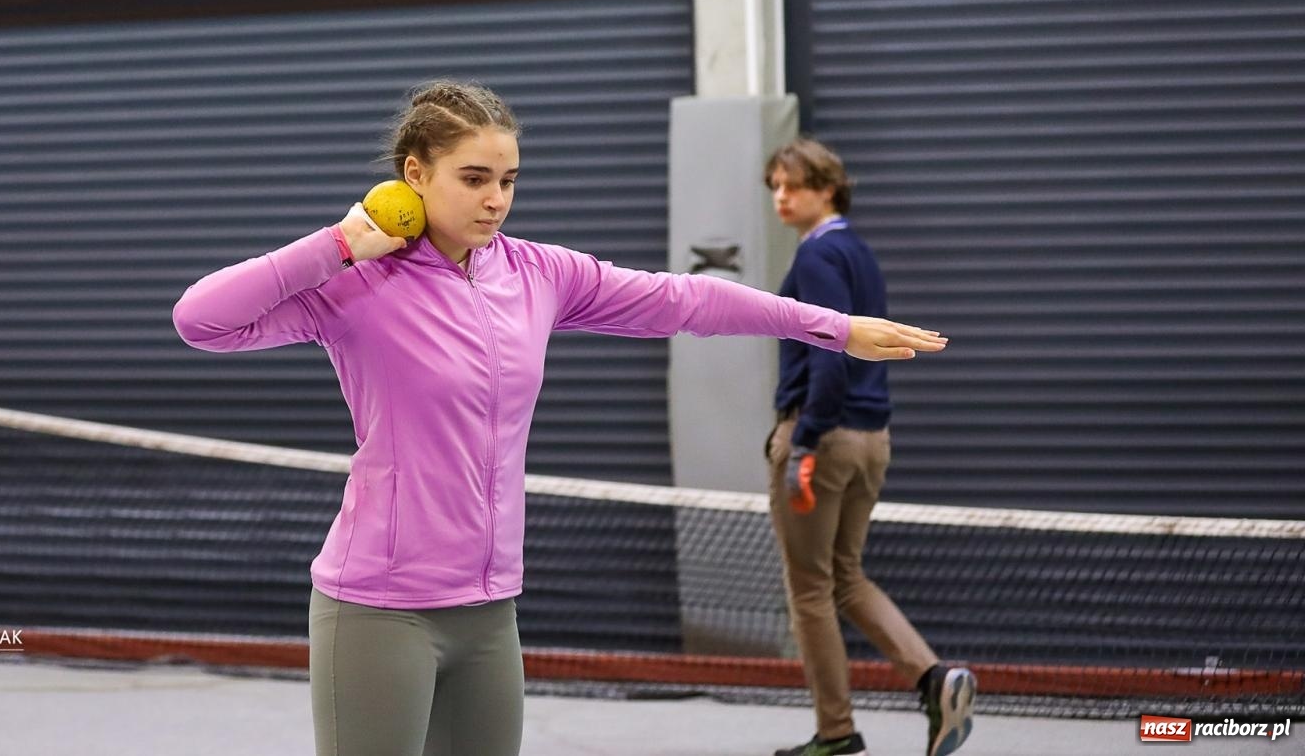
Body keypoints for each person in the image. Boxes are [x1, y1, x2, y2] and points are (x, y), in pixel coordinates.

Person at [173, 81, 948, 756]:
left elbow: (686, 299)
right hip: (378, 608)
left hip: (488, 611)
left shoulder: (539, 273)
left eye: (507, 180)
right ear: (414, 176)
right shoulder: (355, 283)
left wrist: (831, 326)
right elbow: (201, 320)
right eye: (473, 178)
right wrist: (339, 243)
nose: (495, 199)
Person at [764, 138, 975, 756]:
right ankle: (935, 679)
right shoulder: (860, 252)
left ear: (827, 188)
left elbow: (831, 355)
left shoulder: (817, 257)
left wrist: (803, 443)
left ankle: (836, 734)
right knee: (845, 577)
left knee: (809, 587)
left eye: (793, 185)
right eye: (775, 185)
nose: (781, 196)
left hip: (822, 439)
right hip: (871, 439)